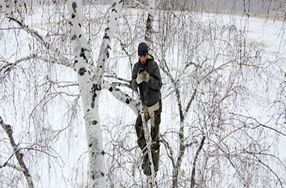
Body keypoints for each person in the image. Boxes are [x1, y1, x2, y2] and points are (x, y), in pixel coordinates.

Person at [130, 42, 162, 176]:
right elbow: (131, 85)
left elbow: (159, 85)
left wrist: (148, 78)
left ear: (147, 54)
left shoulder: (153, 65)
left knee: (155, 136)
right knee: (138, 126)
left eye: (144, 55)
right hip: (144, 106)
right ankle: (145, 153)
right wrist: (136, 81)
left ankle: (154, 167)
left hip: (154, 105)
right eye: (140, 56)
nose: (142, 58)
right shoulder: (136, 66)